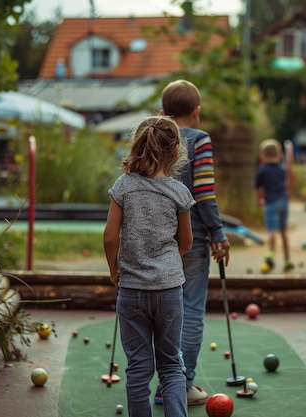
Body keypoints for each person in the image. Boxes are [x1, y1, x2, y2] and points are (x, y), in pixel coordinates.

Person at [103, 115, 195, 417]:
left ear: (136, 145)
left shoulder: (123, 187)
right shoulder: (179, 192)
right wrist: (166, 263)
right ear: (175, 150)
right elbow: (186, 242)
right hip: (168, 290)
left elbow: (109, 238)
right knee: (171, 364)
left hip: (131, 290)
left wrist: (114, 270)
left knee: (139, 367)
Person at [155, 79, 230, 406]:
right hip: (194, 236)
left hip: (157, 237)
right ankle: (181, 385)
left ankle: (161, 386)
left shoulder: (156, 137)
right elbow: (203, 192)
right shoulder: (200, 140)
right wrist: (218, 232)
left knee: (164, 311)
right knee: (191, 310)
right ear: (196, 111)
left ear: (164, 111)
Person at [254, 139, 294, 273]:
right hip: (283, 202)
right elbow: (288, 183)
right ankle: (288, 259)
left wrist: (259, 200)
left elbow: (258, 188)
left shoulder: (263, 170)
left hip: (271, 202)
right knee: (283, 232)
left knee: (272, 231)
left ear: (262, 155)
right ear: (279, 154)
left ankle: (270, 256)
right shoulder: (282, 169)